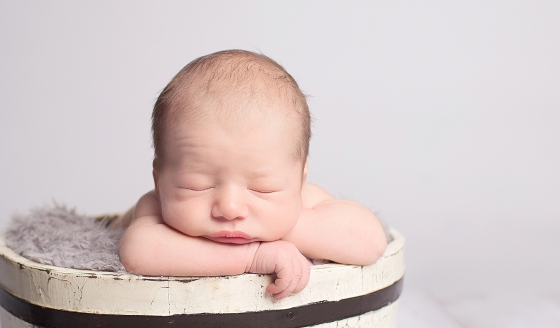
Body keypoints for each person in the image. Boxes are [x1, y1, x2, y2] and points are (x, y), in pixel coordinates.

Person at [117, 50, 387, 299]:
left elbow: (371, 242)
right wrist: (253, 256)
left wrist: (285, 225)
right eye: (197, 185)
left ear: (299, 182)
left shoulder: (303, 202)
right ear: (159, 181)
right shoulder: (155, 209)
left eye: (262, 189)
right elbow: (137, 251)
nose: (230, 208)